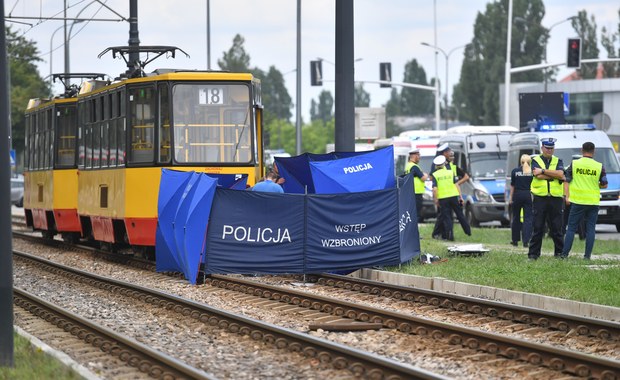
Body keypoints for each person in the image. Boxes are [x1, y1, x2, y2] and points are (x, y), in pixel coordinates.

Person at [561, 142, 608, 260]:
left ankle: (564, 255)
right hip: (593, 202)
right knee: (591, 229)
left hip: (577, 201)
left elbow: (566, 179)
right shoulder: (599, 166)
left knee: (571, 228)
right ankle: (587, 256)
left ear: (582, 150)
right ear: (594, 151)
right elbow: (604, 184)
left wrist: (567, 196)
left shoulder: (575, 164)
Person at [527, 137, 565, 260]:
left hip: (555, 198)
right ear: (542, 148)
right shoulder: (535, 160)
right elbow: (537, 175)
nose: (549, 150)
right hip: (540, 198)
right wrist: (553, 175)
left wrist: (543, 171)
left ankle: (560, 254)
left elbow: (561, 174)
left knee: (557, 228)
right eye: (547, 148)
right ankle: (533, 254)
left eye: (551, 148)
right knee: (538, 227)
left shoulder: (558, 160)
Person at [431, 143, 470, 238]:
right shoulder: (449, 171)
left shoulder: (437, 172)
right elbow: (456, 183)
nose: (451, 153)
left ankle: (448, 235)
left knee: (446, 217)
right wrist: (460, 196)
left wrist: (435, 200)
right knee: (456, 215)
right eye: (448, 152)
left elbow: (435, 188)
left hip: (443, 197)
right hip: (453, 195)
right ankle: (467, 231)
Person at [509, 154, 533, 247]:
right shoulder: (532, 172)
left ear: (521, 161)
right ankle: (526, 241)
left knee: (516, 218)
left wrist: (510, 198)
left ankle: (515, 240)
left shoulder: (515, 171)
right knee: (528, 219)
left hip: (517, 195)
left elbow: (512, 186)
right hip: (528, 195)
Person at [404, 148, 429, 223]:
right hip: (416, 192)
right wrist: (425, 174)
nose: (419, 157)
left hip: (411, 192)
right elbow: (423, 178)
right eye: (418, 155)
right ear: (414, 156)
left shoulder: (408, 166)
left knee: (412, 213)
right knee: (417, 213)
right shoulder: (414, 167)